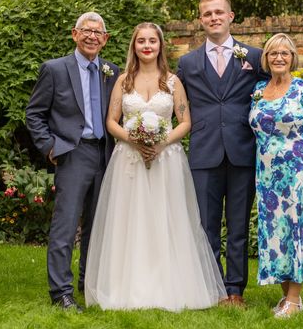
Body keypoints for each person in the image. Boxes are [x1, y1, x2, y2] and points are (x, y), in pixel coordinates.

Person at [85, 23, 227, 311]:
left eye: (152, 41)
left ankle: (170, 285)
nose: (147, 46)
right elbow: (111, 121)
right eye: (141, 41)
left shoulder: (173, 82)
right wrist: (134, 140)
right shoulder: (123, 81)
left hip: (167, 160)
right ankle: (129, 287)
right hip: (129, 160)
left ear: (161, 46)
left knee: (167, 219)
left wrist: (161, 143)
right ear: (134, 46)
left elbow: (185, 121)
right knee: (131, 221)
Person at [177, 0, 269, 307]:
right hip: (204, 154)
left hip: (243, 151)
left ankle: (235, 291)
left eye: (219, 12)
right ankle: (213, 288)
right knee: (206, 228)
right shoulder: (187, 63)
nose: (214, 17)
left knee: (239, 225)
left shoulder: (254, 58)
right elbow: (172, 103)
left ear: (231, 16)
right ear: (201, 20)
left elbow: (275, 93)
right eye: (207, 14)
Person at [26, 12, 120, 311]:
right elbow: (34, 114)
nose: (92, 36)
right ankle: (61, 292)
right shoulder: (54, 70)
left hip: (105, 153)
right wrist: (50, 147)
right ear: (74, 34)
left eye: (98, 32)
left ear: (105, 40)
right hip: (73, 152)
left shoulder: (112, 72)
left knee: (98, 224)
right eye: (86, 31)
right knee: (66, 225)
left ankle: (88, 283)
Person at [248, 33, 303, 319]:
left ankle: (294, 300)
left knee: (297, 230)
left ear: (293, 58)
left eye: (284, 53)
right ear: (266, 59)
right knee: (275, 233)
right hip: (267, 175)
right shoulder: (258, 90)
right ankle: (286, 296)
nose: (279, 58)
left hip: (298, 173)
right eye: (273, 53)